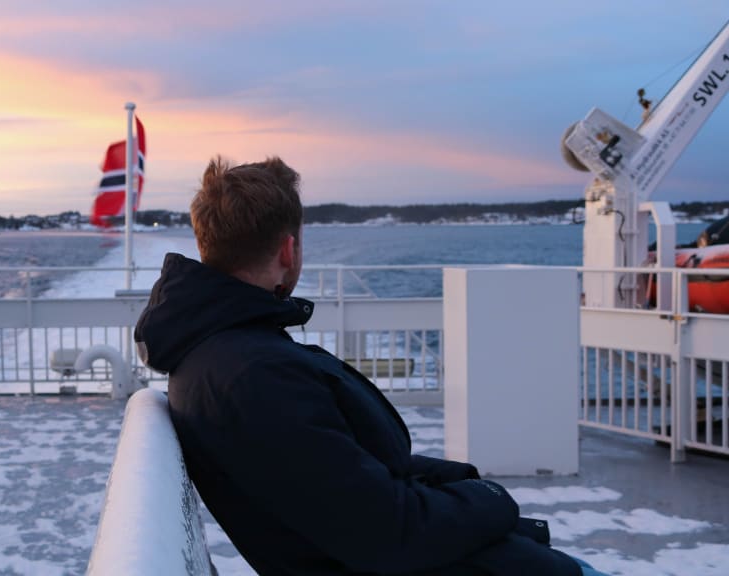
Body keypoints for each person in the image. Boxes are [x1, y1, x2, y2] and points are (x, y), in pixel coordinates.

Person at [134, 156, 603, 576]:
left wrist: (458, 481)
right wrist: (492, 500)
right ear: (287, 251)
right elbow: (388, 532)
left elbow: (351, 480)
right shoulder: (254, 376)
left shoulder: (227, 354)